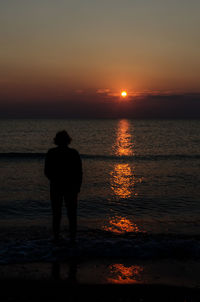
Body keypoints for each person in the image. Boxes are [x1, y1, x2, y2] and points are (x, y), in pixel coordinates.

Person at [44, 130, 82, 243]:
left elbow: (47, 171)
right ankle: (72, 238)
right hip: (70, 187)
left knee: (57, 213)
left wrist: (55, 179)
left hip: (57, 186)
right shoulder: (73, 153)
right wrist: (77, 186)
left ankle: (57, 237)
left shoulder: (51, 152)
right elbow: (79, 172)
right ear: (68, 140)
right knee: (71, 213)